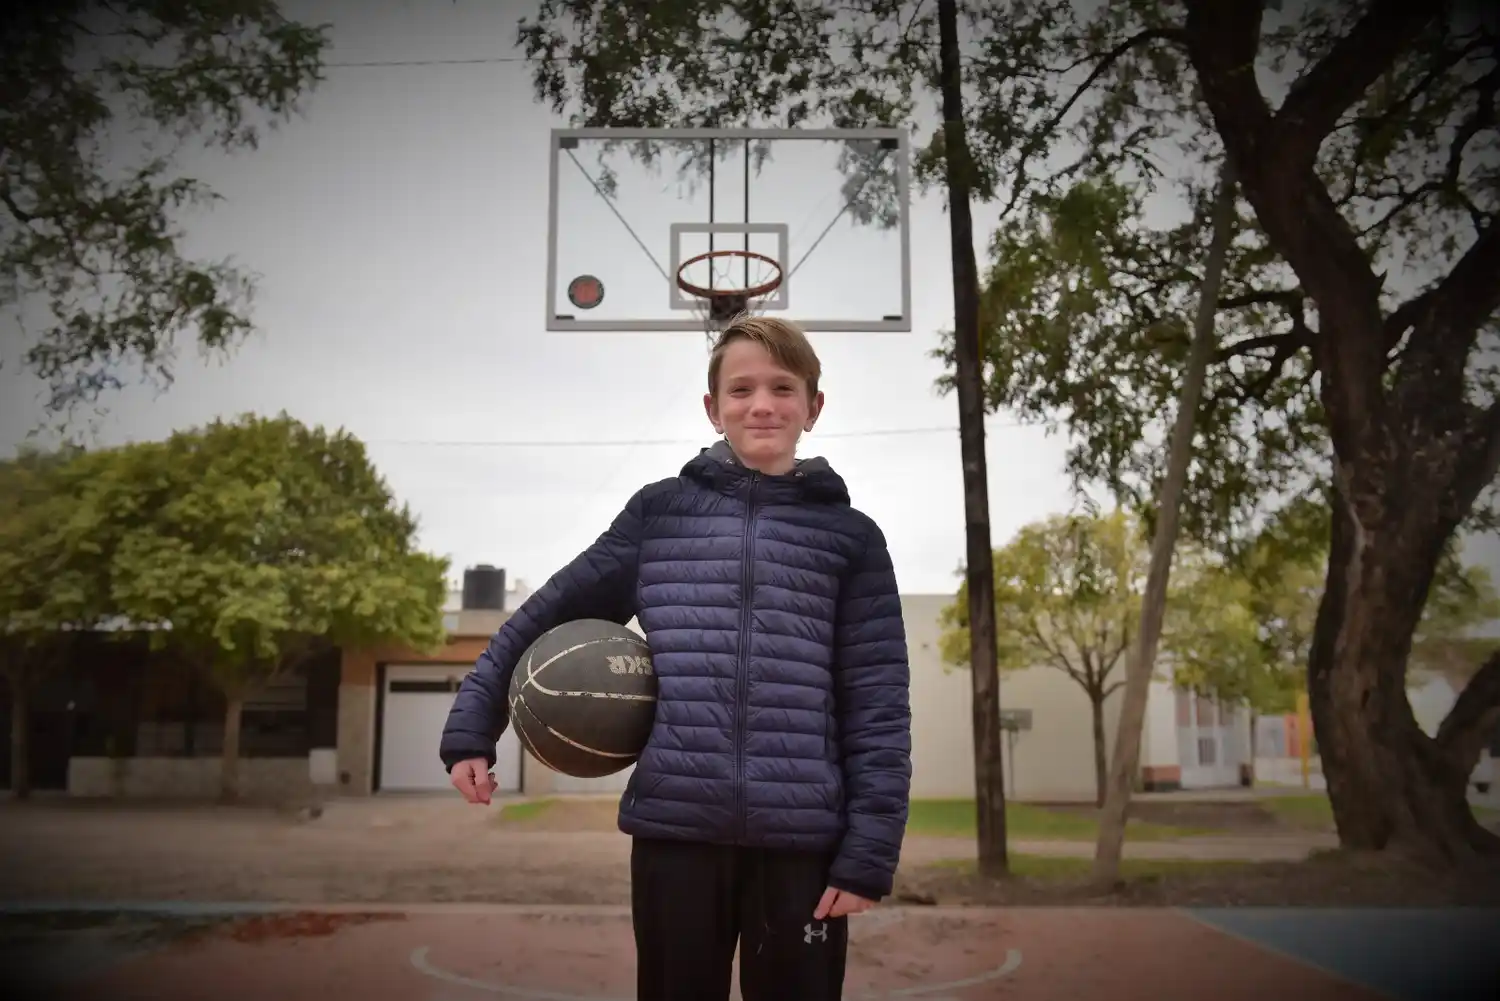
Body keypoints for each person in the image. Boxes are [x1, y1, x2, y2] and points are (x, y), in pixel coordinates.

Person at [439, 314, 912, 1001]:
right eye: (741, 388)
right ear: (712, 407)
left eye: (783, 387)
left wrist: (869, 847)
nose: (761, 404)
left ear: (813, 406)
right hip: (676, 831)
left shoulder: (851, 539)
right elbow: (549, 610)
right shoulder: (659, 515)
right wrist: (472, 722)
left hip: (802, 840)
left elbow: (878, 703)